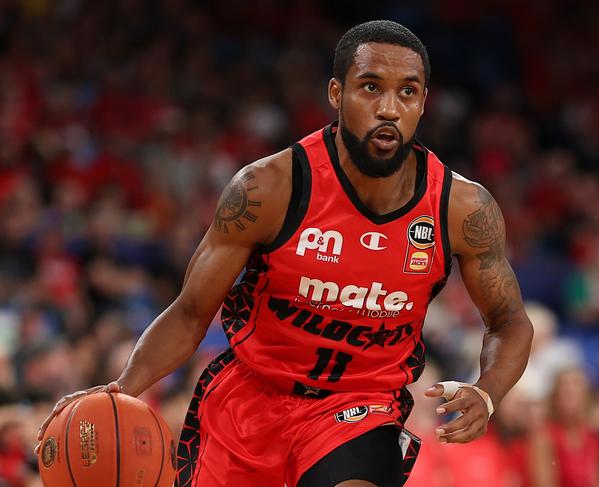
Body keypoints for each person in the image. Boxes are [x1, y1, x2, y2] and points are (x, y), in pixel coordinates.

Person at [37, 20, 533, 487]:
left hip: (359, 406)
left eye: (407, 92)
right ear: (337, 93)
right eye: (370, 86)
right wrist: (122, 388)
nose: (389, 107)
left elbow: (509, 320)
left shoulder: (460, 208)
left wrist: (487, 391)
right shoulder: (269, 188)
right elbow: (191, 313)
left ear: (423, 102)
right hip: (250, 398)